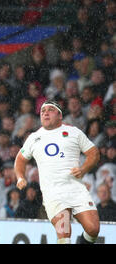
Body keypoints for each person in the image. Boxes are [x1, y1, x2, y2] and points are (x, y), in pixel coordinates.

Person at [15, 100, 101, 244]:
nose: (45, 113)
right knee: (64, 234)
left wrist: (84, 169)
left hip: (76, 189)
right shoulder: (34, 137)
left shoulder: (74, 132)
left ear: (60, 115)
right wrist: (20, 177)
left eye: (50, 110)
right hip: (53, 193)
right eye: (43, 111)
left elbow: (94, 153)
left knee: (93, 229)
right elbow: (20, 159)